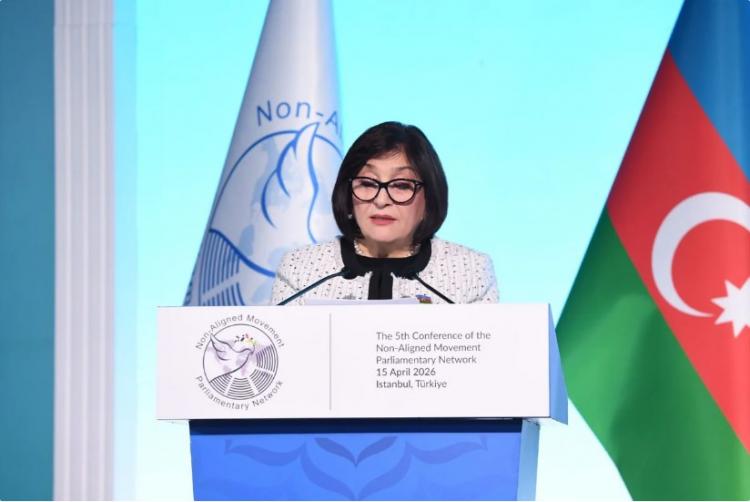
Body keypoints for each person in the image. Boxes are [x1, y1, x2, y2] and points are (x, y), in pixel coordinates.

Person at [270, 121, 498, 305]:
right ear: (347, 193)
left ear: (429, 199)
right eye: (368, 183)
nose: (381, 200)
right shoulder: (301, 269)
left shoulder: (470, 271)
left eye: (401, 185)